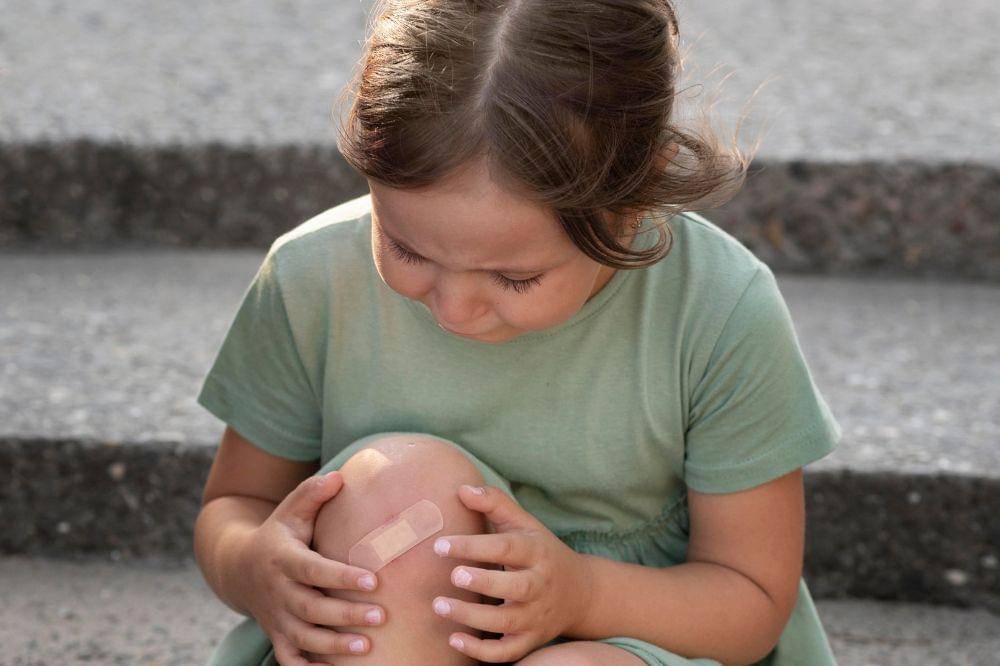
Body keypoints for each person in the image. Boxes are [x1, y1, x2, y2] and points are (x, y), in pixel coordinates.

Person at [193, 1, 842, 664]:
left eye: (514, 279)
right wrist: (252, 565)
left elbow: (752, 597)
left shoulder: (716, 308)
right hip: (391, 640)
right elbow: (238, 503)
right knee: (397, 488)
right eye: (408, 250)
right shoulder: (315, 279)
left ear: (629, 207)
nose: (454, 308)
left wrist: (582, 594)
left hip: (631, 637)